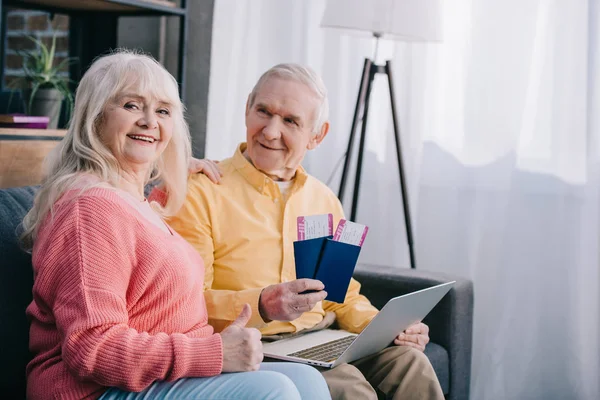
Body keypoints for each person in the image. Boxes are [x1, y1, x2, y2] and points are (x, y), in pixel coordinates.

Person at [21, 51, 331, 400]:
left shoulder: (138, 202)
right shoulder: (90, 209)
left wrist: (173, 176)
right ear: (95, 115)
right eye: (132, 105)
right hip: (96, 390)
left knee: (308, 381)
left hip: (162, 375)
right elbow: (92, 350)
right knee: (276, 389)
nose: (150, 121)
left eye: (163, 111)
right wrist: (214, 352)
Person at [166, 63, 446, 399]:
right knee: (351, 390)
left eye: (290, 121)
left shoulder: (325, 199)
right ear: (246, 110)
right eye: (263, 111)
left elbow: (339, 295)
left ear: (317, 135)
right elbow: (187, 304)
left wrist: (390, 328)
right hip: (258, 344)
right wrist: (262, 304)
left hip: (321, 336)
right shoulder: (201, 191)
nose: (270, 131)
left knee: (412, 365)